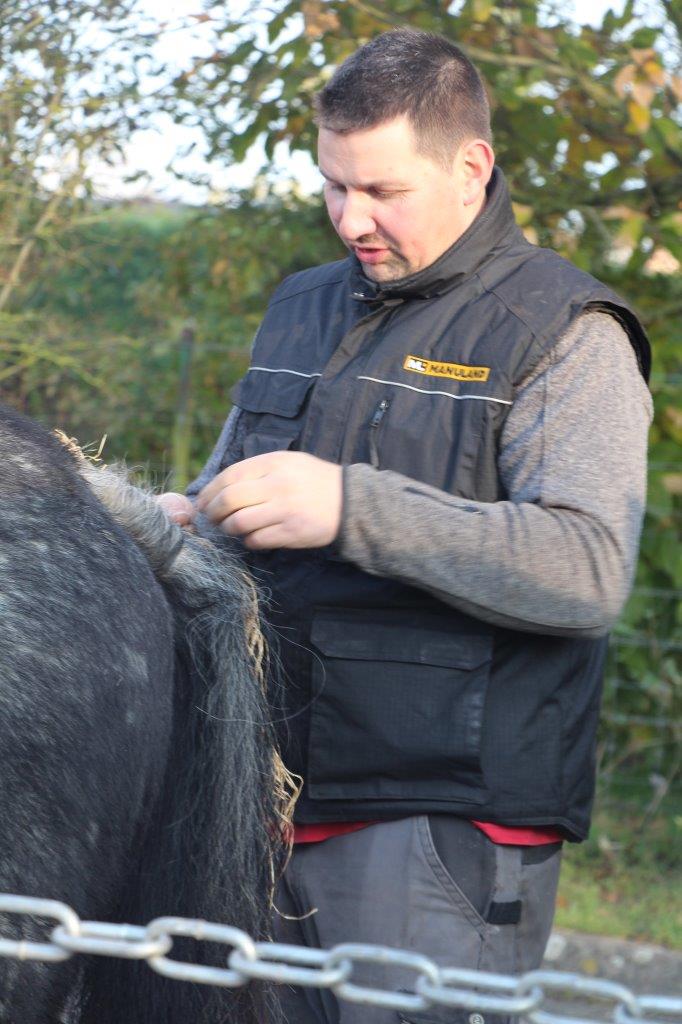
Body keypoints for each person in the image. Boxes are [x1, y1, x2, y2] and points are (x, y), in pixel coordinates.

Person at [163, 28, 652, 1024]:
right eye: (334, 185)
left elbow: (587, 566)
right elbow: (234, 489)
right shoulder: (301, 306)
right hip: (259, 792)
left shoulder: (563, 329)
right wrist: (182, 519)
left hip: (439, 826)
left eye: (383, 191)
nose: (351, 219)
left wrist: (351, 508)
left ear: (470, 167)